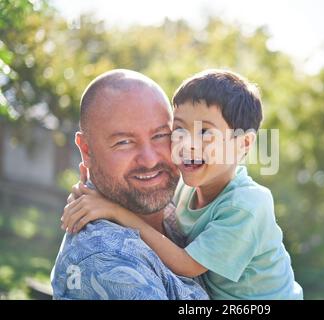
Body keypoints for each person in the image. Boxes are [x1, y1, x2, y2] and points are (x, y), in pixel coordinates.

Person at [62, 69, 303, 300]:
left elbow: (187, 266)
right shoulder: (106, 258)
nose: (187, 144)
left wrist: (115, 211)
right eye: (178, 130)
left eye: (204, 132)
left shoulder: (246, 205)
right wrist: (89, 190)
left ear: (243, 144)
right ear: (86, 149)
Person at [51, 69, 209, 300]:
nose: (150, 160)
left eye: (161, 135)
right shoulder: (106, 259)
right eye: (124, 142)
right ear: (86, 149)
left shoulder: (182, 205)